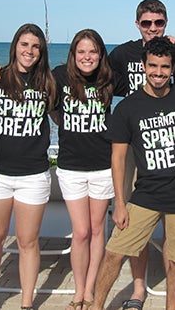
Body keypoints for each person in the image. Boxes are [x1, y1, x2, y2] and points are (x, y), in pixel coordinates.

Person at [90, 37, 175, 310]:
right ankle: (95, 306)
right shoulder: (127, 107)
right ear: (143, 65)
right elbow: (118, 156)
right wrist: (119, 201)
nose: (158, 72)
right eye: (153, 66)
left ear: (173, 68)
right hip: (146, 193)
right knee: (114, 253)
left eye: (164, 67)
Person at [0, 23, 56, 310]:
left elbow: (67, 111)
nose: (29, 51)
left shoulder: (48, 82)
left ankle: (26, 303)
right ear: (15, 47)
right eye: (24, 44)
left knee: (28, 241)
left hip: (34, 175)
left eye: (36, 46)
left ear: (41, 51)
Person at [50, 29, 115, 310]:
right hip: (71, 167)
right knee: (81, 232)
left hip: (103, 166)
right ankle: (78, 291)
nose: (87, 57)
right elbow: (27, 77)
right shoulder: (59, 76)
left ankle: (89, 291)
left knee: (98, 229)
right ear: (73, 55)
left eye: (93, 52)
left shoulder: (109, 79)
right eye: (82, 52)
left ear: (100, 55)